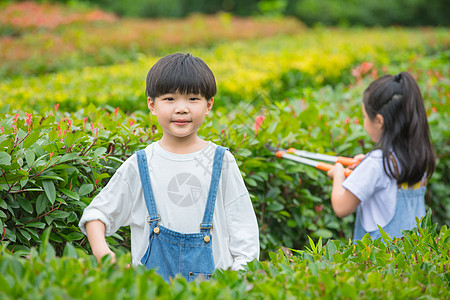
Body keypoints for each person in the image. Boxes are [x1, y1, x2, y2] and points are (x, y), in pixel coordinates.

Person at [79, 53, 260, 281]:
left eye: (193, 99)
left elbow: (244, 232)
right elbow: (96, 214)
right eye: (170, 99)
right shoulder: (141, 164)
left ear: (209, 105)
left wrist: (238, 278)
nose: (182, 109)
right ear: (152, 105)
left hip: (214, 291)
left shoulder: (221, 161)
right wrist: (105, 255)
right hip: (151, 291)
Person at [327, 72, 436, 240]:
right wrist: (366, 164)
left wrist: (338, 174)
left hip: (378, 263)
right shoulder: (418, 154)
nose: (364, 122)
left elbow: (341, 208)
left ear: (379, 120)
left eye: (364, 117)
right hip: (413, 257)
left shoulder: (376, 164)